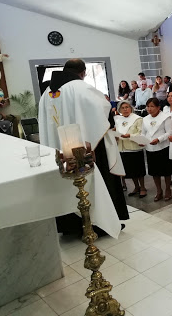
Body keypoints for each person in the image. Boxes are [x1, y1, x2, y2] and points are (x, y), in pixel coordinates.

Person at [38, 58, 129, 235]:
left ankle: (70, 227)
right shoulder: (81, 87)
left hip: (60, 151)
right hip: (85, 148)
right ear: (83, 72)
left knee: (66, 183)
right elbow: (103, 109)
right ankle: (99, 225)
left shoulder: (47, 93)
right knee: (93, 179)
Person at [141, 98, 172, 202]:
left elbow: (169, 132)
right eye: (148, 106)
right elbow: (143, 132)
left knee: (166, 170)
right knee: (154, 171)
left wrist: (159, 139)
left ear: (158, 107)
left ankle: (168, 189)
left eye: (152, 106)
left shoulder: (165, 117)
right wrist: (141, 140)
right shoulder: (145, 119)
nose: (149, 109)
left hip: (163, 147)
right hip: (150, 148)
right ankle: (159, 191)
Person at [114, 100, 147, 198]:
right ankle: (136, 187)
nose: (125, 109)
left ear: (131, 108)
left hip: (134, 147)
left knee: (138, 170)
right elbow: (118, 131)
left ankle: (143, 187)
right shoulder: (118, 119)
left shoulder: (138, 119)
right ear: (119, 109)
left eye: (127, 107)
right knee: (130, 170)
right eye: (123, 108)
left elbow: (141, 133)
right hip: (123, 148)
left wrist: (130, 135)